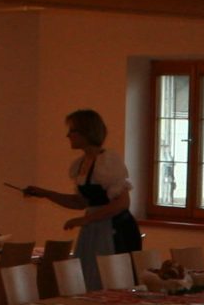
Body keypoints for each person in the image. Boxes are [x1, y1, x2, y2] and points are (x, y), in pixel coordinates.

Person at [16, 108, 138, 287]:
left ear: (86, 132)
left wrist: (86, 219)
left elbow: (122, 203)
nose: (68, 135)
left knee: (108, 279)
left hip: (114, 230)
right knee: (88, 277)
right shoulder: (81, 164)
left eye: (72, 131)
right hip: (94, 228)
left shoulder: (107, 162)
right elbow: (80, 202)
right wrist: (46, 194)